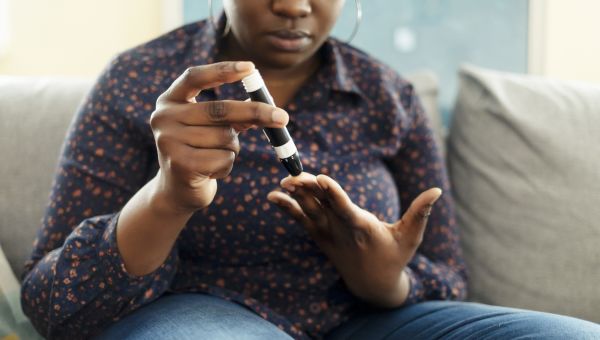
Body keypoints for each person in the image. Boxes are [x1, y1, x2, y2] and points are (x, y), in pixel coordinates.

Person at [20, 1, 600, 339]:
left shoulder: (387, 95)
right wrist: (166, 200)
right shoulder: (137, 80)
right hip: (206, 312)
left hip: (367, 321)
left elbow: (446, 276)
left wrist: (382, 281)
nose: (296, 4)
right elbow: (51, 303)